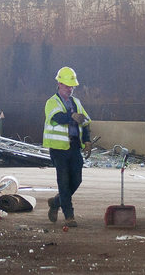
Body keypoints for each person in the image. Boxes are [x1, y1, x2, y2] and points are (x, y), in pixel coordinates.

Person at [43, 66, 93, 228]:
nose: (69, 89)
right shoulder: (52, 102)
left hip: (74, 147)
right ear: (58, 84)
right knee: (64, 182)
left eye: (71, 86)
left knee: (76, 180)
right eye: (66, 85)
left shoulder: (76, 103)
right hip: (58, 149)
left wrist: (87, 141)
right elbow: (57, 117)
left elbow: (85, 122)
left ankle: (56, 202)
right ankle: (69, 215)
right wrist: (71, 115)